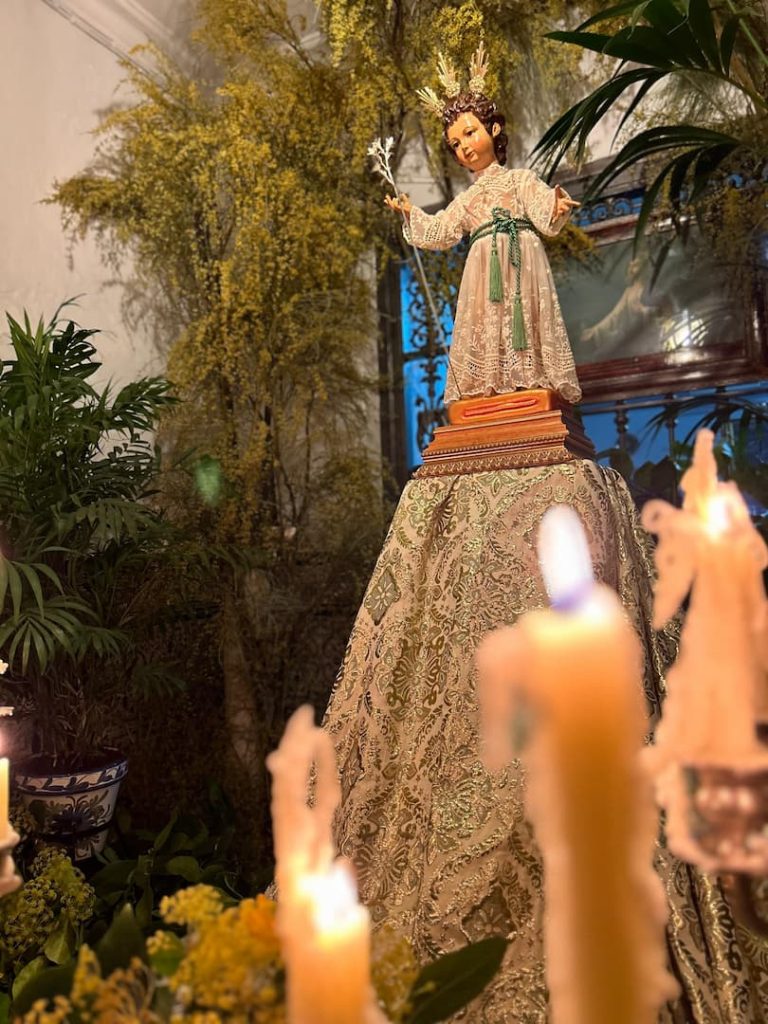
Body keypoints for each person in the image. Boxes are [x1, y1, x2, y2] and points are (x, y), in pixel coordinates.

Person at [386, 53, 581, 406]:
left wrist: (556, 205)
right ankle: (491, 389)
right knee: (487, 320)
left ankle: (529, 383)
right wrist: (411, 213)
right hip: (483, 272)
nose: (464, 147)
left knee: (524, 319)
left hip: (523, 263)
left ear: (492, 129)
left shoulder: (520, 180)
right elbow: (440, 230)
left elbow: (543, 210)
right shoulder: (468, 199)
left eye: (470, 133)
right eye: (456, 144)